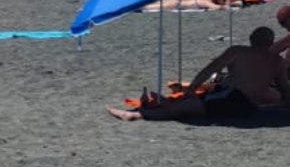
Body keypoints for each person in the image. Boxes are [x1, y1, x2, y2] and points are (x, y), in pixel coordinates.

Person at [107, 27, 290, 122]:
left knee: (189, 105)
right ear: (270, 42)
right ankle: (156, 106)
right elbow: (284, 88)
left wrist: (192, 89)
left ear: (251, 39)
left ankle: (137, 115)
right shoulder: (276, 60)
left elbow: (209, 70)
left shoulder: (238, 51)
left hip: (233, 98)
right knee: (202, 102)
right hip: (249, 107)